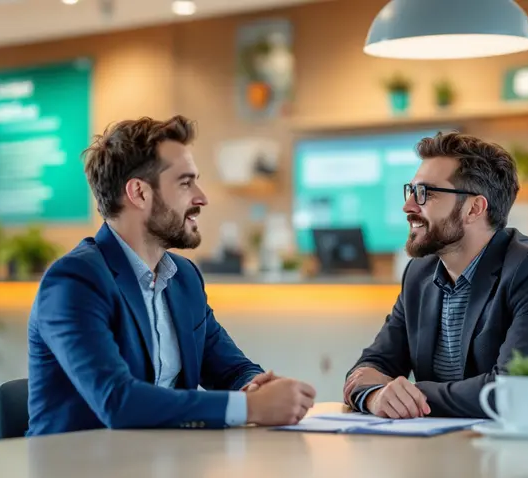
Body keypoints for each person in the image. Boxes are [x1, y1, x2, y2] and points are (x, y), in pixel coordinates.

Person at [26, 115, 315, 436]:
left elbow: (230, 369)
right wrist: (251, 408)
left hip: (161, 462)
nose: (201, 197)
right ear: (139, 192)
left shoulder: (184, 277)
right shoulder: (74, 281)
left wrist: (256, 386)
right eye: (185, 183)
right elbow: (118, 401)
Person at [342, 131, 528, 421]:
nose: (409, 206)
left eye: (425, 193)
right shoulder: (419, 275)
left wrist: (409, 395)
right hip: (456, 454)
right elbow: (370, 367)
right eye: (410, 191)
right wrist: (376, 396)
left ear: (474, 208)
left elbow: (512, 391)